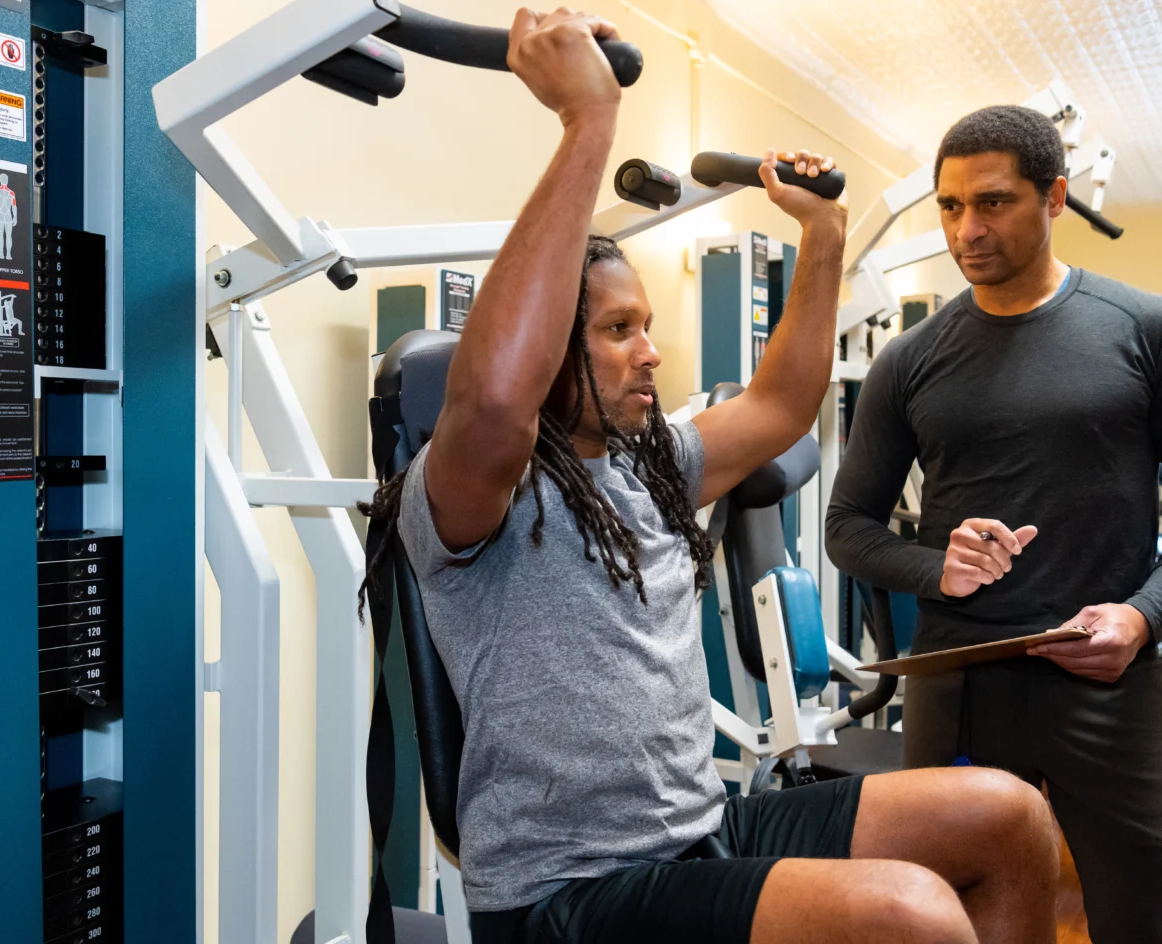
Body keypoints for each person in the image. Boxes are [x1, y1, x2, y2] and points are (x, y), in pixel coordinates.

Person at [363, 13, 1058, 944]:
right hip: (569, 888)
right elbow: (489, 402)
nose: (652, 352)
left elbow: (780, 406)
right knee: (912, 915)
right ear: (545, 353)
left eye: (646, 325)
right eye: (617, 332)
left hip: (702, 829)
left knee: (1010, 817)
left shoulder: (655, 466)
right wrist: (586, 124)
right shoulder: (469, 498)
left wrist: (823, 233)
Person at [825, 103, 1162, 944]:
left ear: (1053, 199)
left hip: (1109, 681)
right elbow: (848, 524)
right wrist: (937, 566)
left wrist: (1141, 617)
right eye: (948, 206)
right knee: (954, 922)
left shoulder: (1141, 329)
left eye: (993, 202)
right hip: (960, 683)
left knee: (1139, 917)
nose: (966, 229)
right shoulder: (912, 357)